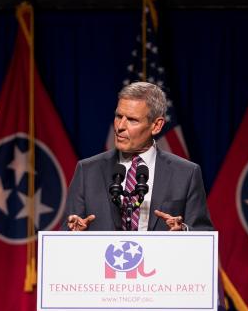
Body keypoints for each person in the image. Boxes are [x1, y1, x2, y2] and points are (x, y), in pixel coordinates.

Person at [63, 82, 213, 232]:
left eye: (132, 120)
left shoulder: (186, 173)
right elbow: (66, 231)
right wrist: (74, 232)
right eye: (118, 116)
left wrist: (183, 231)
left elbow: (204, 234)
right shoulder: (87, 171)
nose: (120, 126)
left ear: (156, 126)